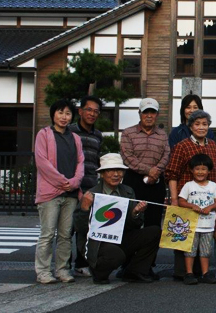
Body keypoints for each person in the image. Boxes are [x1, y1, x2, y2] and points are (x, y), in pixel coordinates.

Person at [73, 153, 160, 284]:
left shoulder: (128, 191)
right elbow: (80, 228)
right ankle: (99, 271)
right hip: (97, 241)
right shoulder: (91, 194)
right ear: (102, 174)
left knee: (154, 232)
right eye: (110, 170)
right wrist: (85, 208)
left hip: (119, 236)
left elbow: (135, 225)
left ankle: (134, 271)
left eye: (119, 170)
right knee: (115, 254)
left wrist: (135, 213)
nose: (116, 174)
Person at [166, 110, 216, 280]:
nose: (201, 127)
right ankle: (184, 272)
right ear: (190, 127)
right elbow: (172, 174)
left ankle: (203, 272)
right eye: (197, 124)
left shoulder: (214, 146)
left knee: (205, 236)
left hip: (208, 202)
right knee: (184, 235)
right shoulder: (181, 146)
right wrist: (175, 200)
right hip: (187, 200)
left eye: (204, 124)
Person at [34, 99, 84, 284]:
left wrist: (75, 182)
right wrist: (64, 182)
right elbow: (42, 163)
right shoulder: (44, 134)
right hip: (50, 193)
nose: (64, 117)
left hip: (71, 194)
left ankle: (62, 269)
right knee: (47, 234)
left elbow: (81, 162)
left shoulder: (75, 138)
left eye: (68, 113)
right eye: (60, 112)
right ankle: (43, 271)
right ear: (53, 114)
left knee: (65, 235)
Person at [120, 98, 170, 230]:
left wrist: (156, 172)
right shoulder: (128, 133)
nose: (149, 116)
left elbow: (166, 155)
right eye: (145, 112)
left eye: (152, 112)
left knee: (153, 221)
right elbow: (127, 157)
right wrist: (149, 171)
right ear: (139, 113)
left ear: (157, 114)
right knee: (130, 218)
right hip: (133, 180)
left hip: (156, 180)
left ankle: (151, 250)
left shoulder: (162, 135)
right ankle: (130, 250)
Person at [69, 95, 104, 278]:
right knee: (68, 227)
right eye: (89, 110)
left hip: (91, 186)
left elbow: (97, 160)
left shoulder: (98, 135)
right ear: (80, 111)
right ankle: (64, 263)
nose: (92, 114)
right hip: (71, 186)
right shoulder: (70, 131)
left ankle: (81, 263)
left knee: (86, 228)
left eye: (96, 111)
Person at [177, 153, 216, 285]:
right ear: (191, 170)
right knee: (190, 250)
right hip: (191, 225)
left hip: (208, 225)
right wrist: (192, 206)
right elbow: (181, 201)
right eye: (197, 169)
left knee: (205, 250)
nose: (200, 172)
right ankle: (189, 273)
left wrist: (211, 207)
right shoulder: (188, 185)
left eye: (203, 169)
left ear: (209, 171)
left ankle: (205, 273)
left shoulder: (213, 186)